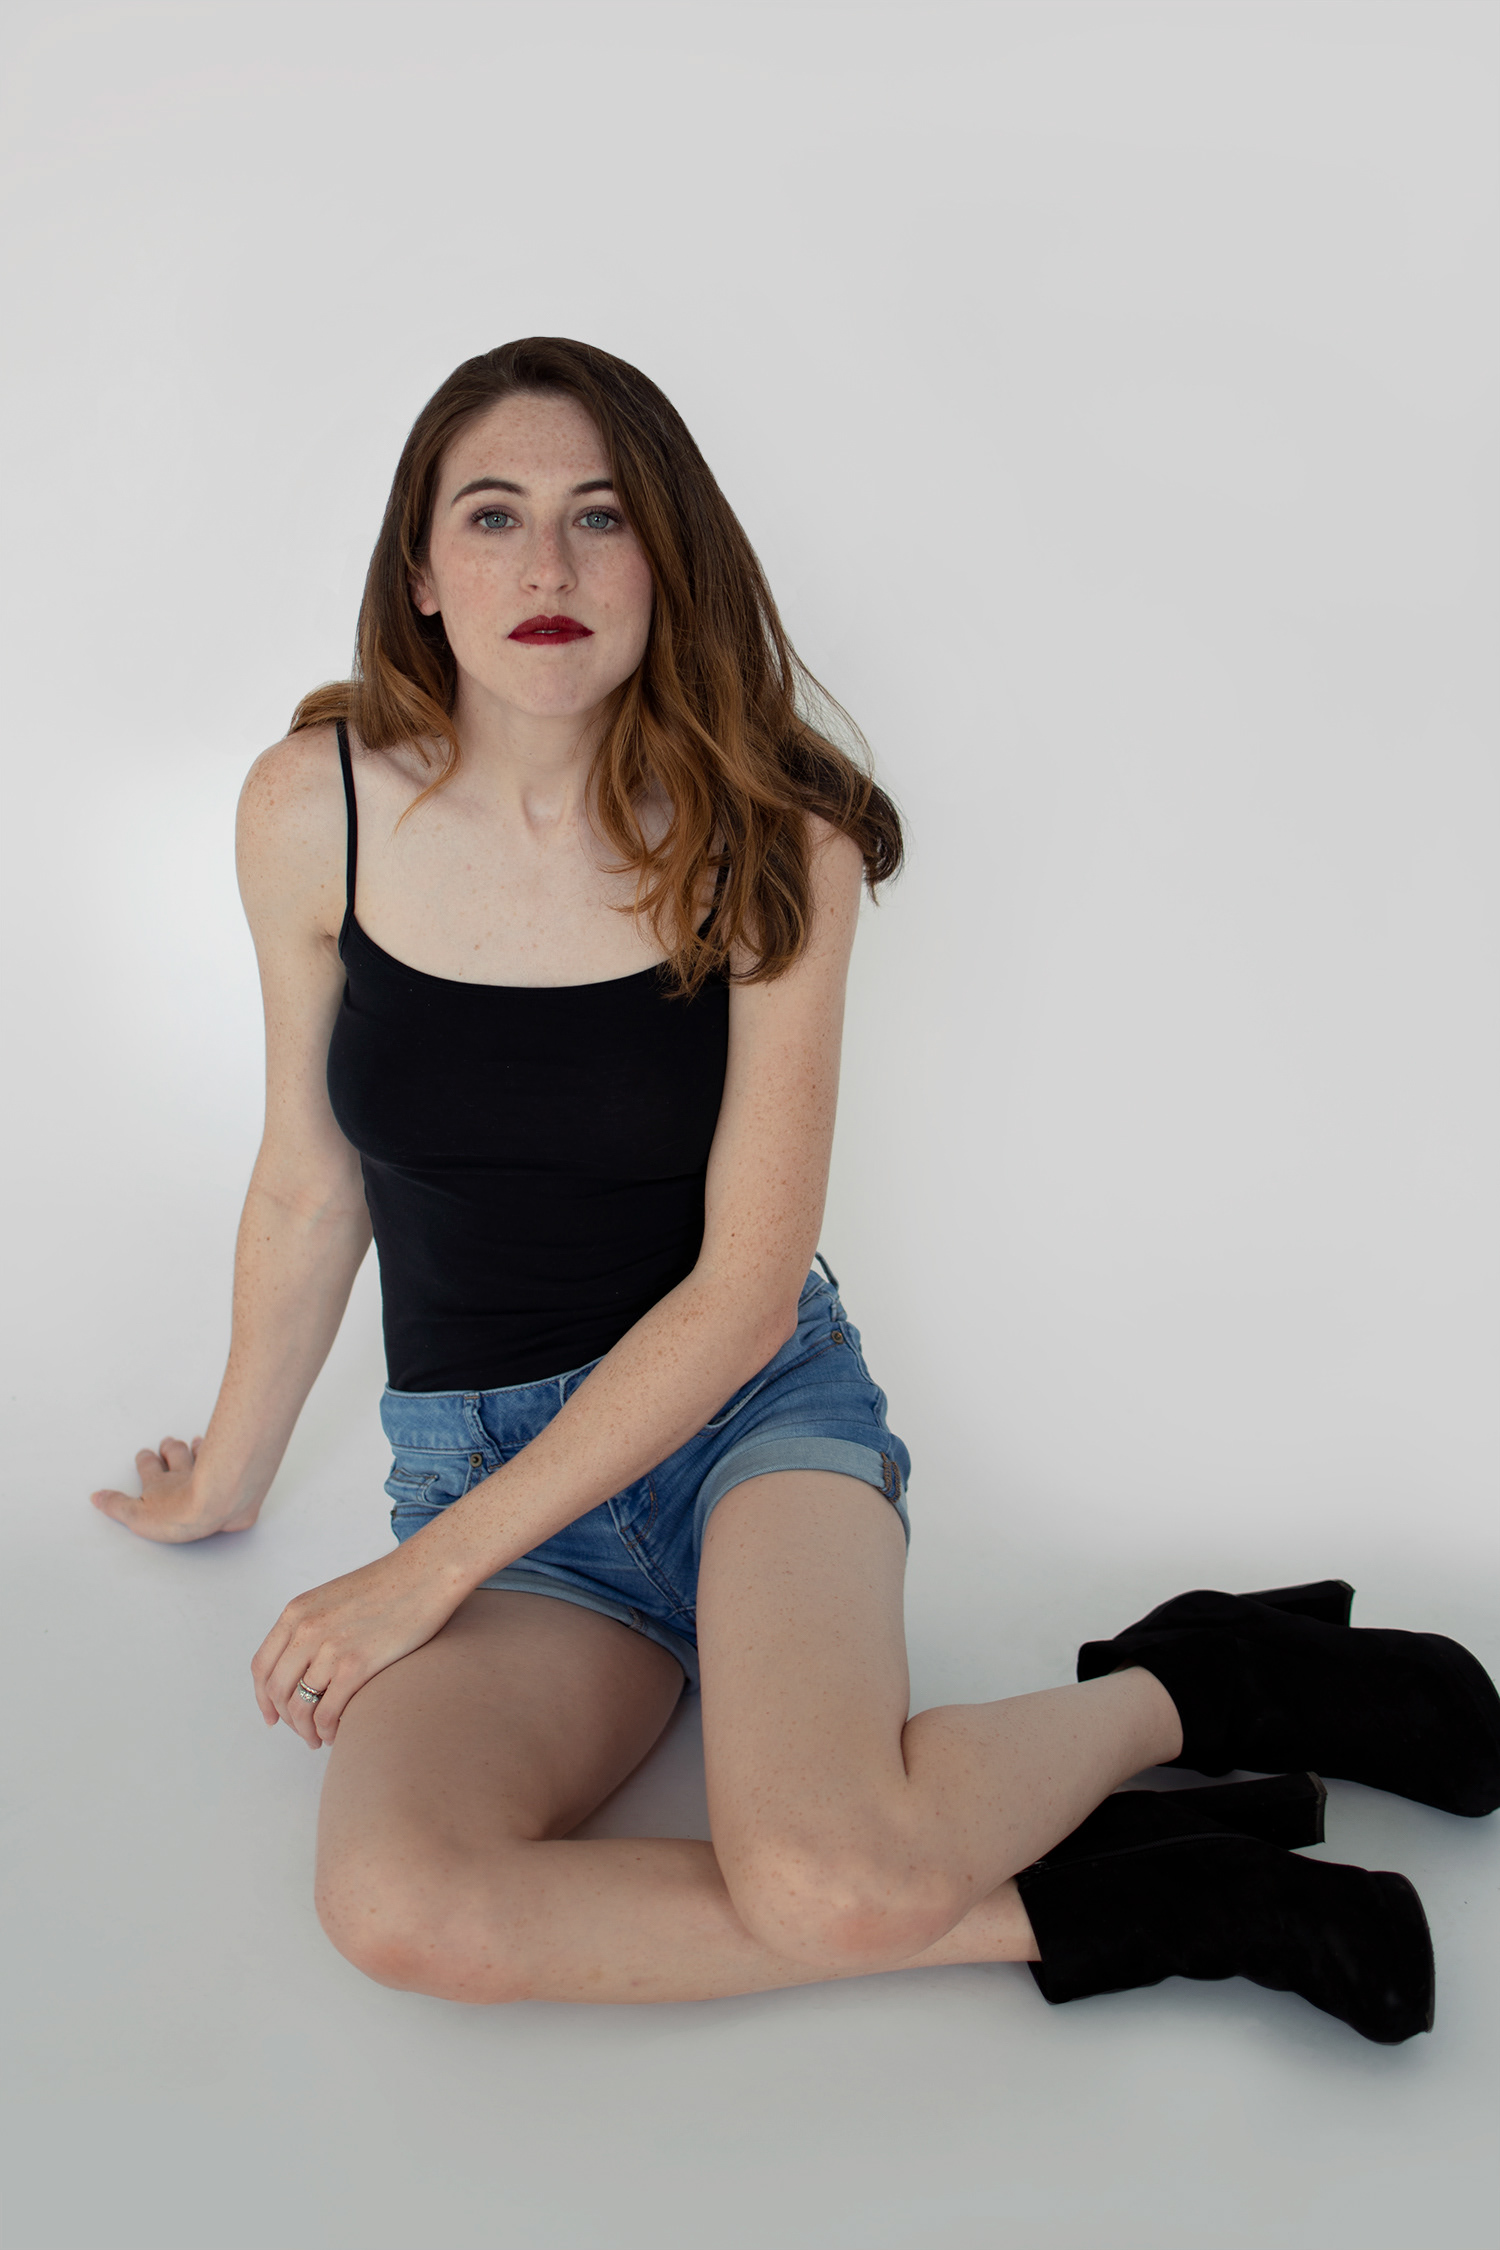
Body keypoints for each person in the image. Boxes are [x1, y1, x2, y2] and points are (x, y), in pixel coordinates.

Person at [92, 338, 1499, 2040]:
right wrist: (227, 1478)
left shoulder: (773, 837)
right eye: (495, 515)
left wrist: (416, 1576)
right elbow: (310, 1182)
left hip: (748, 1423)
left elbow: (750, 1287)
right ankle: (1147, 1887)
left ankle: (1197, 1682)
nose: (549, 567)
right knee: (398, 1899)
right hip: (496, 1481)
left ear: (663, 556)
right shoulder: (312, 809)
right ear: (425, 571)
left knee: (830, 1868)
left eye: (601, 516)